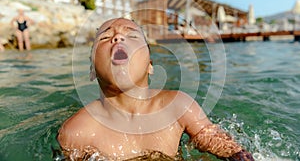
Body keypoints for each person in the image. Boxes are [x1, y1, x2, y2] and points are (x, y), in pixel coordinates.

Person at [57, 18, 254, 160]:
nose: (117, 37)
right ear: (92, 70)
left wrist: (238, 155)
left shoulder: (178, 106)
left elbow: (217, 142)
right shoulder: (76, 132)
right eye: (105, 37)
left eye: (131, 35)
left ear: (150, 65)